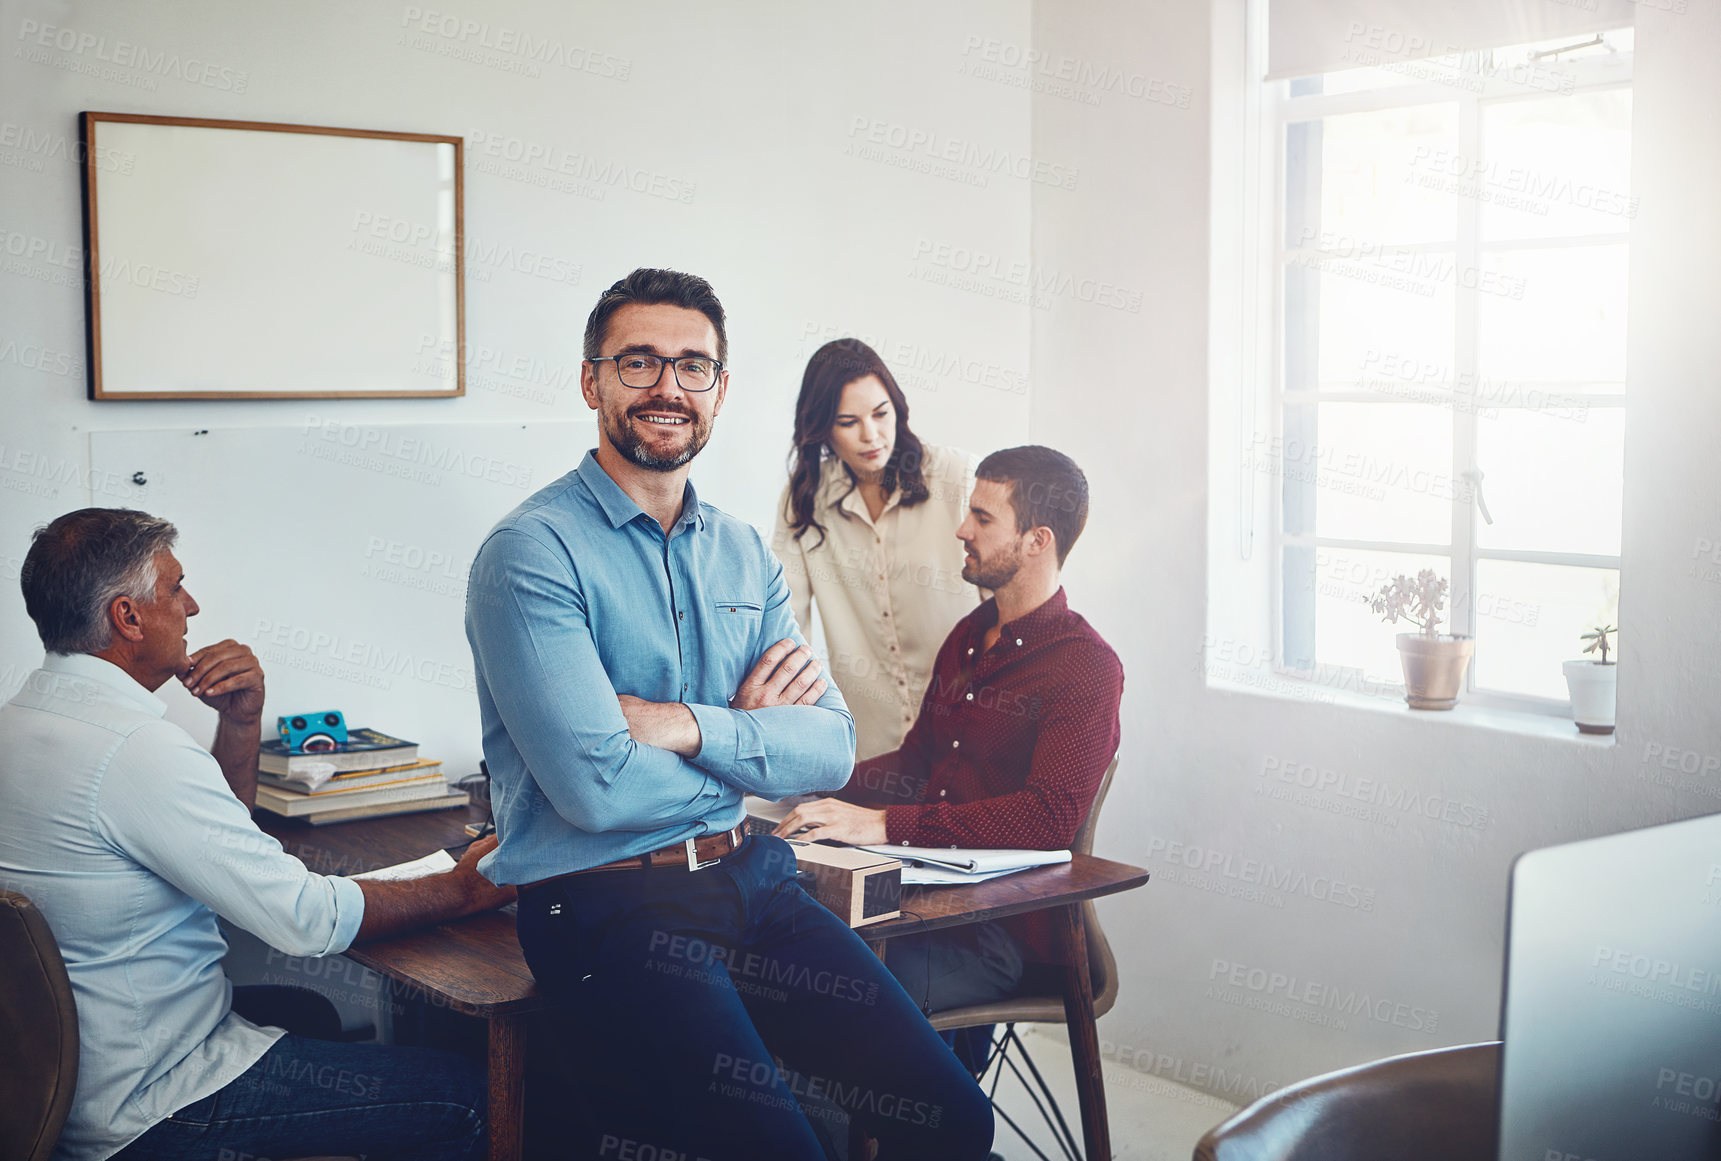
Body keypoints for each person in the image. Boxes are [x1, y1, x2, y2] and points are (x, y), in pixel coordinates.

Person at [464, 268, 993, 1160]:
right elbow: (595, 789)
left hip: (752, 878)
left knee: (948, 1112)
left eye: (693, 366)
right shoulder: (531, 556)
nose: (669, 387)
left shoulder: (742, 551)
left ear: (719, 390)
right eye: (639, 362)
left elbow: (827, 746)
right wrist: (750, 737)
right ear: (591, 380)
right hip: (609, 905)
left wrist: (686, 722)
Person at [0, 507, 516, 1161]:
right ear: (127, 617)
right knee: (475, 1097)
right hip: (151, 1103)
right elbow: (303, 922)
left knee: (312, 1014)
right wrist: (469, 886)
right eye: (175, 587)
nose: (191, 605)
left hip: (51, 1082)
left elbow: (221, 849)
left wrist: (242, 724)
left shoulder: (20, 721)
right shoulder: (136, 750)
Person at [774, 446, 1123, 1038]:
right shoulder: (968, 637)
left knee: (828, 992)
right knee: (781, 950)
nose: (962, 529)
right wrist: (802, 778)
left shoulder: (1086, 667)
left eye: (983, 519)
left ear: (1037, 540)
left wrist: (883, 825)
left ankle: (915, 1130)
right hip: (925, 907)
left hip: (1006, 939)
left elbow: (1048, 819)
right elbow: (916, 763)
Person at [773, 338, 980, 761]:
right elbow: (785, 621)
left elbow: (1008, 611)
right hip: (870, 756)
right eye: (848, 422)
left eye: (881, 414)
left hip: (969, 741)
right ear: (823, 428)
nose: (871, 435)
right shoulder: (804, 500)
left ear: (897, 408)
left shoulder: (958, 479)